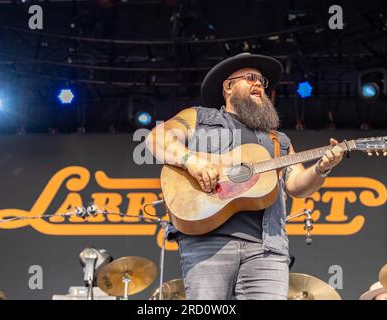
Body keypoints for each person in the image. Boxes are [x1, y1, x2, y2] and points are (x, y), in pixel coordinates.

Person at [146, 52, 344, 300]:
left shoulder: (278, 140)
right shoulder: (200, 118)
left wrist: (322, 168)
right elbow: (156, 138)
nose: (258, 84)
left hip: (267, 250)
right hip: (207, 242)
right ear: (228, 87)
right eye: (250, 78)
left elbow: (296, 186)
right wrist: (191, 160)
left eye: (262, 81)